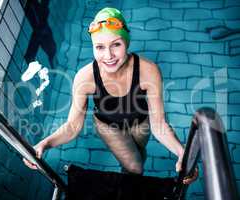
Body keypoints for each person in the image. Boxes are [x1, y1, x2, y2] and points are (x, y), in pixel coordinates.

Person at [24, 7, 198, 184]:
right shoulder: (86, 77)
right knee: (135, 168)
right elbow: (73, 126)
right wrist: (44, 144)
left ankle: (126, 183)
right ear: (93, 47)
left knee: (138, 158)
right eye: (100, 47)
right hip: (108, 126)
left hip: (141, 122)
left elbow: (159, 123)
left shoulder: (148, 71)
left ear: (127, 43)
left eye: (116, 44)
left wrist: (182, 153)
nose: (108, 56)